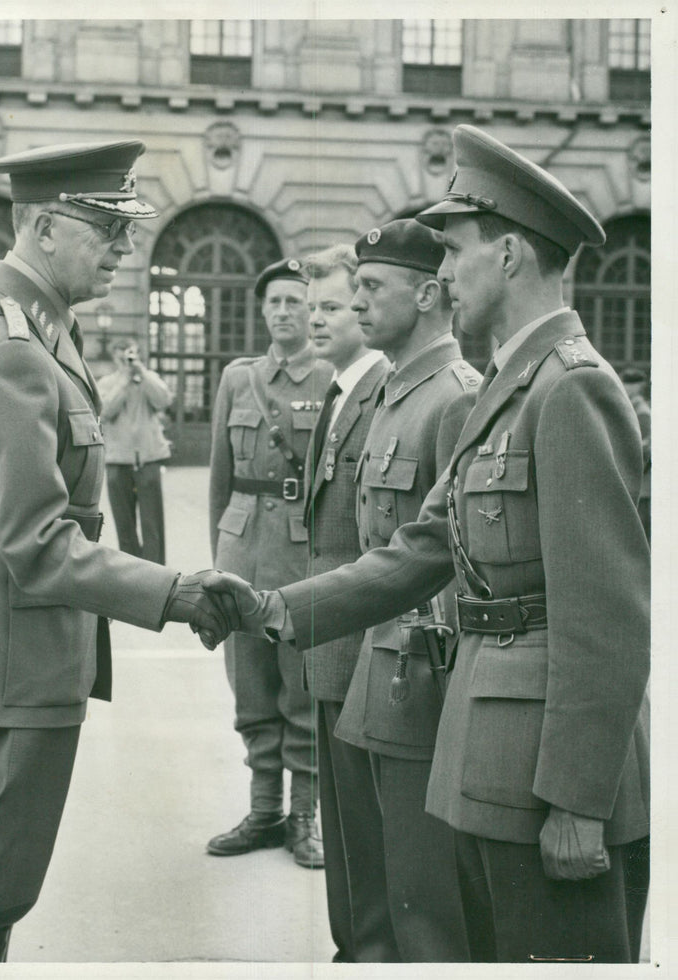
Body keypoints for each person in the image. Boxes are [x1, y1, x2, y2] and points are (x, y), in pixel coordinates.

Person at [209, 124, 650, 964]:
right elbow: (421, 550)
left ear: (511, 255)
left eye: (454, 251)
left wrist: (580, 801)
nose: (442, 275)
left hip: (547, 780)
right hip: (488, 760)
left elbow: (609, 618)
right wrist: (271, 609)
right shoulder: (509, 391)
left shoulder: (572, 389)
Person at [0, 139, 240, 964]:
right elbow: (40, 544)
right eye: (107, 230)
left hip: (4, 641)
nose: (125, 251)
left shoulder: (29, 324)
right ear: (47, 227)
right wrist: (176, 591)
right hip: (5, 646)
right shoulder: (11, 347)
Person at [329, 218, 478, 961]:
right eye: (355, 287)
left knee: (426, 910)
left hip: (422, 686)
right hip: (374, 676)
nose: (355, 303)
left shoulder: (455, 397)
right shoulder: (394, 389)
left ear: (427, 294)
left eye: (370, 287)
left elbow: (456, 557)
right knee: (374, 903)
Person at [206, 257, 332, 868]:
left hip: (303, 552)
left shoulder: (332, 377)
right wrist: (217, 557)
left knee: (301, 689)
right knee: (250, 686)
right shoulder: (238, 379)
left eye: (295, 302)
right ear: (262, 311)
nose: (284, 312)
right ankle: (263, 810)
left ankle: (304, 815)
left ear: (313, 311)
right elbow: (218, 480)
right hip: (241, 546)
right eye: (275, 302)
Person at [301, 244, 391, 959]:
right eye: (312, 308)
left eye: (332, 306)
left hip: (371, 649)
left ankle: (366, 952)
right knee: (346, 834)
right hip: (333, 645)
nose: (317, 320)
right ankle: (352, 948)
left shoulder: (387, 392)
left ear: (366, 307)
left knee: (370, 835)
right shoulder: (339, 393)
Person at [98, 338, 172, 563]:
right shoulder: (107, 382)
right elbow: (106, 410)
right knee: (125, 525)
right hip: (117, 461)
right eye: (119, 353)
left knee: (153, 525)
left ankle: (158, 576)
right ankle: (131, 575)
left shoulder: (149, 379)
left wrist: (142, 374)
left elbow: (163, 400)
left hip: (148, 460)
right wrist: (123, 382)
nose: (124, 357)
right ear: (114, 356)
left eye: (129, 353)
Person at [620, 366, 651, 541]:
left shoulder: (642, 411)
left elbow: (644, 447)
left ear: (638, 386)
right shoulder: (631, 406)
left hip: (642, 478)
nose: (624, 387)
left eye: (628, 384)